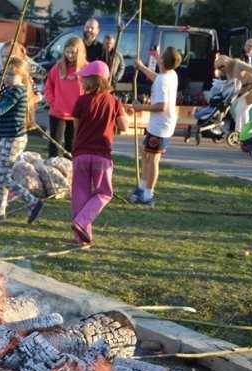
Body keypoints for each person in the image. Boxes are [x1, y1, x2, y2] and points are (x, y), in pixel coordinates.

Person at [0, 56, 44, 224]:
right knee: (0, 173)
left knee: (3, 176)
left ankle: (33, 201)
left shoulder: (18, 91)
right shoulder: (10, 88)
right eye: (6, 74)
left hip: (14, 139)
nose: (7, 77)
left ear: (22, 76)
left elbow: (0, 109)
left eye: (11, 75)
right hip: (7, 137)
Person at [70, 61, 127, 245]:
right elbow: (124, 126)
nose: (81, 81)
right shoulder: (114, 102)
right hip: (102, 155)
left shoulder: (81, 101)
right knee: (104, 193)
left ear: (92, 81)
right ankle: (81, 221)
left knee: (80, 194)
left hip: (81, 153)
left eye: (83, 78)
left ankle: (81, 237)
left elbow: (76, 126)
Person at [130, 47, 182, 206]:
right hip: (158, 125)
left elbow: (161, 106)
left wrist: (141, 108)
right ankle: (142, 187)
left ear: (162, 61)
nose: (158, 56)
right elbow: (157, 78)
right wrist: (142, 67)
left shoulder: (163, 80)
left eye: (160, 55)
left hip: (161, 126)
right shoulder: (170, 74)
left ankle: (147, 195)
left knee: (153, 159)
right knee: (145, 154)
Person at [43, 36, 88, 158]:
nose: (70, 55)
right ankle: (53, 170)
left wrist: (84, 107)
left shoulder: (86, 68)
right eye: (67, 52)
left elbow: (90, 90)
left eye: (73, 52)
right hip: (58, 113)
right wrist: (53, 102)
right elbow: (48, 86)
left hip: (76, 115)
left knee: (71, 145)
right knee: (55, 144)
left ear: (80, 52)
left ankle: (70, 172)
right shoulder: (58, 67)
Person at [214, 55, 252, 131]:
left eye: (221, 67)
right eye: (219, 68)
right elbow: (231, 83)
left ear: (225, 63)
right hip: (244, 91)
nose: (221, 70)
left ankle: (245, 131)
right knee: (239, 110)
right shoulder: (228, 71)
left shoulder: (237, 63)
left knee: (242, 110)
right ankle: (239, 131)